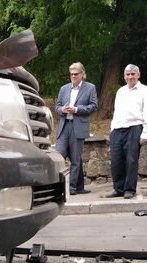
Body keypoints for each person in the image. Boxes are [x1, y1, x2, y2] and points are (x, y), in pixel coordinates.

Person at [106, 64, 147, 199]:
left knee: (131, 160)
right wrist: (112, 129)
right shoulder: (120, 91)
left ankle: (129, 189)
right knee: (116, 160)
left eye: (133, 74)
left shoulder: (145, 91)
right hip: (118, 128)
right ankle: (118, 188)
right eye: (128, 74)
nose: (130, 76)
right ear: (124, 76)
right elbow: (117, 111)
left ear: (138, 75)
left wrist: (145, 131)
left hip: (135, 127)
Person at [54, 62, 98, 195]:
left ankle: (73, 188)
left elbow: (93, 106)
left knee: (75, 159)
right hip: (64, 125)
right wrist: (63, 109)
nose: (73, 76)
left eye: (76, 74)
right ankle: (59, 186)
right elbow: (57, 107)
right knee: (59, 156)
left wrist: (76, 109)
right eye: (71, 74)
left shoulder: (90, 88)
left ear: (82, 74)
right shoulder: (64, 88)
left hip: (78, 126)